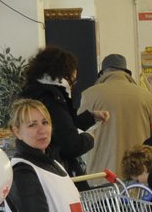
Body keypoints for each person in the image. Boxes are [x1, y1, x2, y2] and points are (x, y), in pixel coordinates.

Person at [16, 46, 109, 177]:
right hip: (54, 169)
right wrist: (90, 137)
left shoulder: (34, 91)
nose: (75, 74)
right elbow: (70, 144)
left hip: (44, 166)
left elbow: (63, 125)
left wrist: (90, 117)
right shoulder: (52, 98)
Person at [78, 53, 152, 177]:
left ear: (102, 73)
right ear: (126, 73)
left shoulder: (89, 95)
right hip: (138, 174)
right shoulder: (145, 96)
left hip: (101, 175)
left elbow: (79, 132)